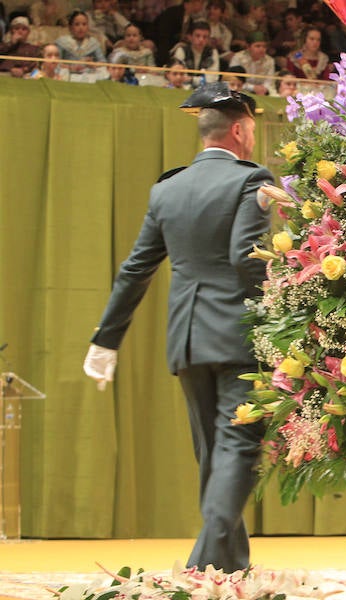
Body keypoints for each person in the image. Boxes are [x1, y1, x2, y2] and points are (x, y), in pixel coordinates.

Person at [83, 82, 274, 573]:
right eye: (251, 128)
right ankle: (204, 558)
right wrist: (286, 285)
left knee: (214, 453)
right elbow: (245, 258)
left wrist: (106, 341)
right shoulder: (252, 181)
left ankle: (230, 570)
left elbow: (135, 270)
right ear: (238, 130)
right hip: (237, 334)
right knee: (240, 445)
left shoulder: (166, 189)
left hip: (186, 339)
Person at [172, 19, 220, 87]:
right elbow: (179, 76)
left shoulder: (212, 53)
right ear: (190, 37)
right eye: (197, 36)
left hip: (205, 90)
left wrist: (192, 80)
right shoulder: (182, 51)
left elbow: (212, 78)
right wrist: (198, 80)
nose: (201, 40)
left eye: (205, 37)